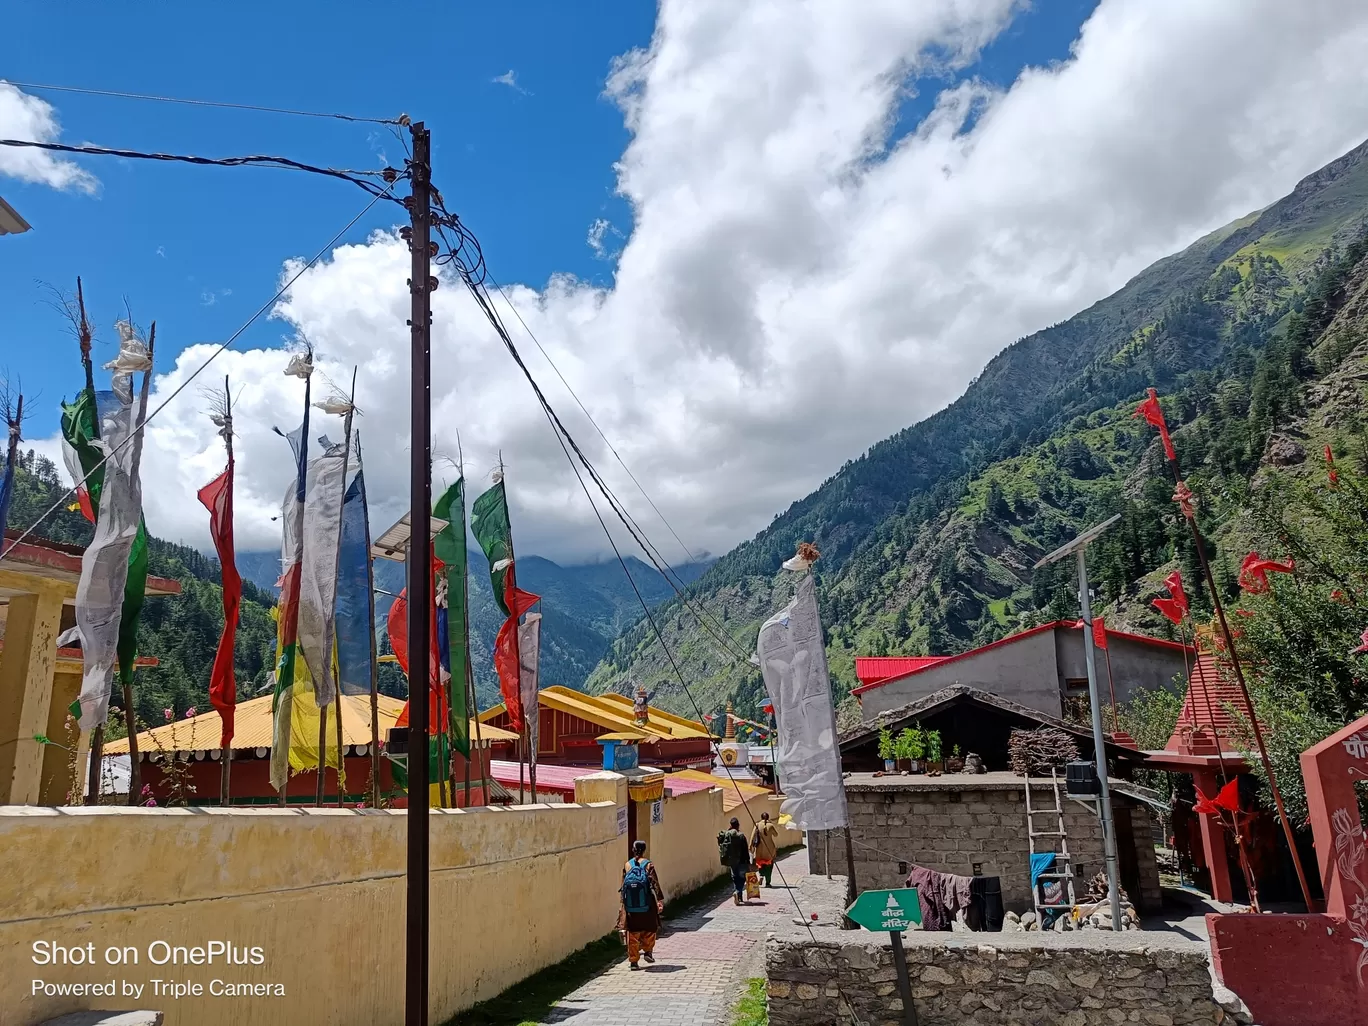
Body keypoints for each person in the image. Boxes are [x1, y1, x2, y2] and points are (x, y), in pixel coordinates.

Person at [619, 840, 664, 970]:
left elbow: (623, 887)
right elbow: (654, 883)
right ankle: (648, 951)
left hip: (631, 906)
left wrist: (623, 904)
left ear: (633, 850)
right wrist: (659, 899)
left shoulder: (627, 865)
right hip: (647, 904)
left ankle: (633, 961)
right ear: (644, 850)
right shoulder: (648, 865)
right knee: (650, 928)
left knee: (632, 933)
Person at [721, 817, 751, 905]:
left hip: (732, 860)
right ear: (738, 825)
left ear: (731, 825)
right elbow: (745, 850)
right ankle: (738, 892)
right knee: (742, 878)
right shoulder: (741, 835)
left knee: (735, 878)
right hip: (742, 860)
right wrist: (748, 861)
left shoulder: (727, 834)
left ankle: (739, 897)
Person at [751, 811, 779, 887]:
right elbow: (776, 835)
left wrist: (751, 847)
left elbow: (752, 837)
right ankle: (768, 882)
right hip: (769, 849)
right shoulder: (770, 825)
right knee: (769, 866)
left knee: (760, 864)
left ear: (761, 817)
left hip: (760, 849)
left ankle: (761, 876)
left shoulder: (757, 825)